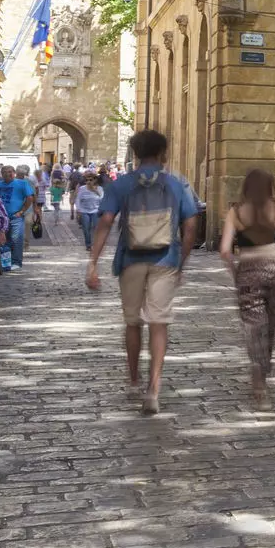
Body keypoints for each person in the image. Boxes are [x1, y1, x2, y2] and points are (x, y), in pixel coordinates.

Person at [88, 130, 203, 415]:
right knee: (159, 323)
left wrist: (93, 263)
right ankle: (154, 388)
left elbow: (104, 221)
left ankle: (133, 379)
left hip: (131, 259)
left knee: (132, 322)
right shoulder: (178, 184)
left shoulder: (122, 184)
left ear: (135, 153)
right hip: (166, 258)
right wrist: (182, 260)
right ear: (163, 152)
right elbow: (190, 226)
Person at [218, 168, 275, 407]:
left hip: (248, 271)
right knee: (270, 327)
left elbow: (225, 249)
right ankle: (264, 366)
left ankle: (258, 378)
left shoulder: (235, 212)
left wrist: (234, 269)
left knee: (254, 325)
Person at [0, 166, 36, 272]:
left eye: (10, 172)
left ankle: (16, 262)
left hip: (15, 217)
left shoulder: (22, 183)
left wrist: (22, 211)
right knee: (3, 241)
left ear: (14, 173)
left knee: (16, 239)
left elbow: (30, 197)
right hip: (1, 218)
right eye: (5, 172)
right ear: (1, 174)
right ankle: (4, 262)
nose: (8, 174)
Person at [74, 172, 106, 249]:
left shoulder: (99, 189)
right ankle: (88, 245)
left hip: (95, 210)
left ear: (95, 180)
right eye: (86, 180)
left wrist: (94, 190)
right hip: (84, 211)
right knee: (86, 228)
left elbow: (102, 199)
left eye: (90, 180)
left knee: (95, 228)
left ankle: (95, 244)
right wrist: (78, 209)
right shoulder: (82, 189)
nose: (88, 181)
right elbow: (78, 199)